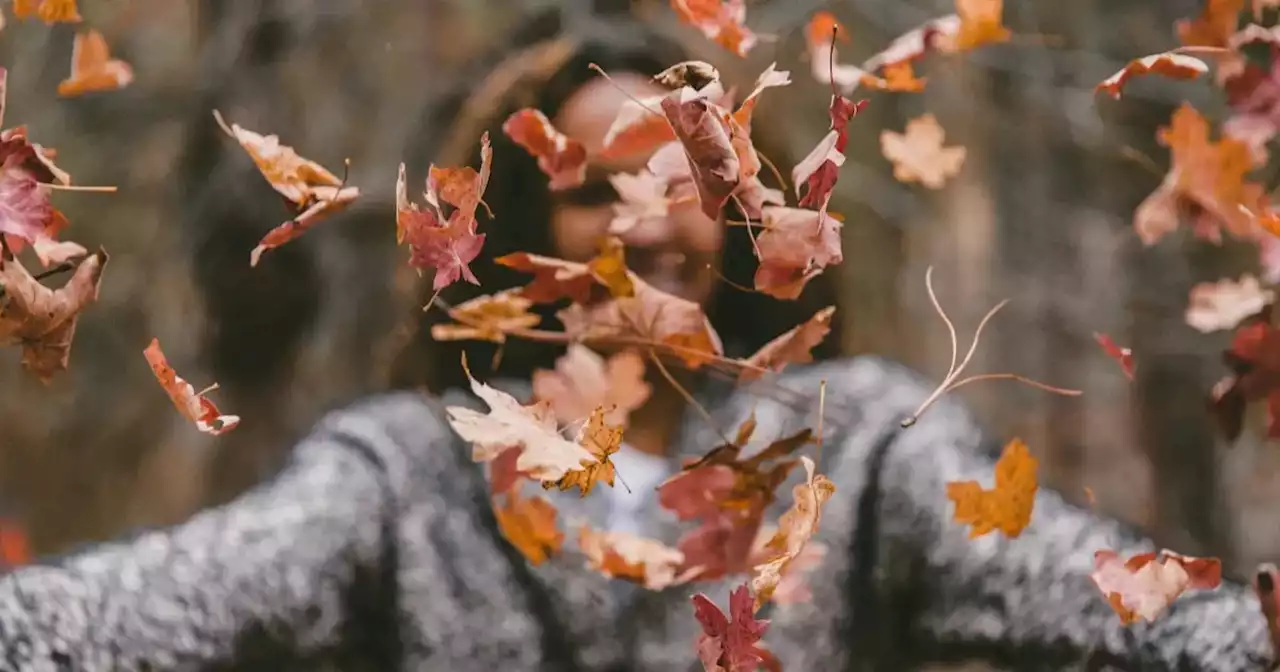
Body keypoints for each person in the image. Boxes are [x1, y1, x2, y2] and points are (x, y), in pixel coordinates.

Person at [0, 8, 1272, 672]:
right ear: (512, 236)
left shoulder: (852, 447)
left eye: (680, 180)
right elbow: (163, 602)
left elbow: (1117, 602)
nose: (643, 220)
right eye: (592, 186)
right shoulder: (408, 474)